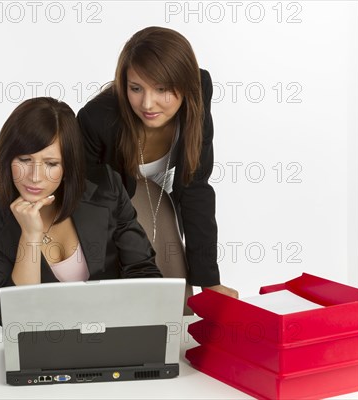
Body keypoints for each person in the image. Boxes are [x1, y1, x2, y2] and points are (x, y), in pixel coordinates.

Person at [0, 97, 162, 325]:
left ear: (68, 165)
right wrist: (30, 237)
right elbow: (13, 320)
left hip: (114, 332)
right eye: (25, 160)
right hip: (41, 346)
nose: (35, 176)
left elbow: (143, 273)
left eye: (51, 164)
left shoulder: (107, 188)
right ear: (7, 159)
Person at [77, 27, 238, 300]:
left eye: (162, 89)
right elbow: (86, 203)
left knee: (180, 300)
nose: (147, 103)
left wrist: (209, 281)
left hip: (160, 199)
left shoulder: (199, 91)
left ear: (186, 85)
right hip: (106, 204)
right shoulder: (98, 119)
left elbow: (195, 187)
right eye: (135, 88)